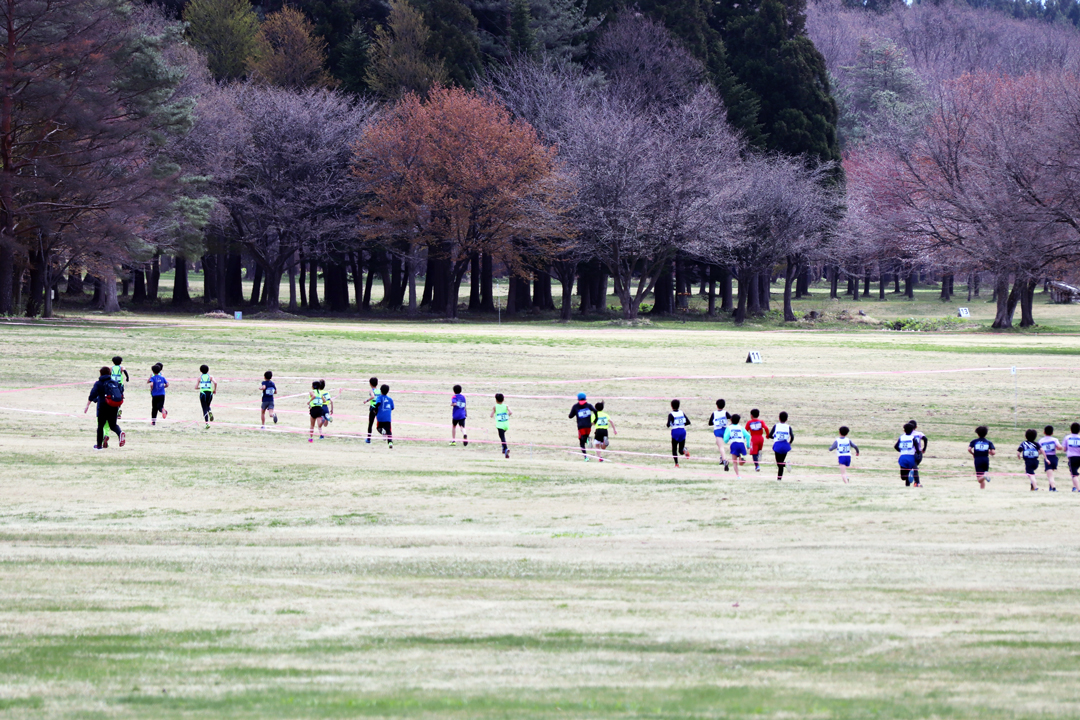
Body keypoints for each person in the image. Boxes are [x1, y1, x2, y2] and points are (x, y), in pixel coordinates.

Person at [84, 366, 125, 449]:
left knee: (100, 426)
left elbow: (92, 394)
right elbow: (120, 392)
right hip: (113, 405)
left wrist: (88, 405)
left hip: (102, 406)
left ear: (100, 373)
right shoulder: (114, 382)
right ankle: (120, 433)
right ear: (110, 373)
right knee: (113, 425)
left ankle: (99, 445)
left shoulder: (98, 383)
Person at [568, 392, 597, 461]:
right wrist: (595, 420)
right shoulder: (589, 405)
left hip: (581, 427)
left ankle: (586, 457)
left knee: (581, 442)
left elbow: (570, 416)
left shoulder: (575, 406)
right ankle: (587, 439)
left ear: (577, 399)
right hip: (588, 426)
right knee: (585, 437)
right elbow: (595, 411)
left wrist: (575, 413)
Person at [770, 412, 795, 481]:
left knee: (779, 463)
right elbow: (792, 436)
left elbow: (770, 435)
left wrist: (774, 437)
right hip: (785, 445)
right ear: (786, 419)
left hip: (777, 445)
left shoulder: (776, 426)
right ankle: (779, 479)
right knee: (780, 462)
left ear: (779, 418)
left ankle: (785, 465)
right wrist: (790, 442)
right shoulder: (788, 427)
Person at [707, 399, 731, 471]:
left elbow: (710, 423)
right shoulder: (725, 412)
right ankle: (721, 458)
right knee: (718, 443)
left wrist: (716, 422)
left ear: (716, 405)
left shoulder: (714, 413)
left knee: (721, 447)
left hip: (718, 430)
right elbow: (732, 418)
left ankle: (724, 460)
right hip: (725, 430)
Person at [667, 399, 690, 467]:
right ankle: (684, 450)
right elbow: (688, 422)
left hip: (675, 432)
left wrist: (670, 425)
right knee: (680, 450)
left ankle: (676, 464)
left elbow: (668, 424)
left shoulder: (671, 414)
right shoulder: (682, 413)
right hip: (683, 431)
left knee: (674, 449)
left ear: (671, 406)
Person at [1038, 425, 1062, 492]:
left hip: (1047, 459)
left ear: (1044, 432)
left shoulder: (1041, 441)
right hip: (1054, 458)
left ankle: (1054, 488)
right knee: (1050, 473)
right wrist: (1058, 447)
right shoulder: (1054, 439)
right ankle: (1051, 487)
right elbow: (1060, 447)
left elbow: (1039, 452)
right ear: (1052, 433)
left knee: (1050, 475)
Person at [491, 393, 511, 458]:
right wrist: (506, 416)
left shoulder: (495, 406)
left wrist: (494, 413)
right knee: (502, 436)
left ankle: (505, 448)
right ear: (503, 399)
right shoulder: (506, 406)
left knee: (502, 437)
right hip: (506, 425)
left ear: (496, 400)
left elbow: (491, 415)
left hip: (500, 425)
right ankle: (503, 448)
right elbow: (510, 412)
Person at [196, 365, 216, 429]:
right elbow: (215, 383)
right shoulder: (210, 377)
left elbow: (196, 387)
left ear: (200, 370)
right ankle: (209, 411)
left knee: (204, 408)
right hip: (210, 393)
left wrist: (201, 387)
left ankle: (207, 423)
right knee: (208, 405)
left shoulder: (199, 378)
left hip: (203, 393)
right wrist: (214, 390)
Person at [110, 356, 130, 421]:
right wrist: (127, 378)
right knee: (119, 398)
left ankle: (113, 412)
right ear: (121, 362)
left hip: (112, 385)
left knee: (112, 398)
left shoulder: (111, 368)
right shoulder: (121, 368)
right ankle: (118, 412)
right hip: (119, 385)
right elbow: (125, 372)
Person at [909, 419, 928, 486]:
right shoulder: (919, 433)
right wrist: (924, 449)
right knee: (914, 467)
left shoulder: (908, 434)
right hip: (919, 453)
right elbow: (925, 439)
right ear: (916, 427)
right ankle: (916, 482)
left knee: (914, 468)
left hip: (911, 453)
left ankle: (916, 482)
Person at [376, 383, 394, 448]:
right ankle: (390, 443)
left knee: (378, 428)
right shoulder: (390, 399)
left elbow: (378, 403)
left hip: (380, 417)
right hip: (387, 417)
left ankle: (382, 431)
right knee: (389, 431)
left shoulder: (379, 397)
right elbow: (392, 408)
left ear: (381, 390)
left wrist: (375, 410)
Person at [1064, 422, 1080, 492]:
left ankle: (1078, 489)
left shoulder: (1067, 438)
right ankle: (1074, 487)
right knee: (1074, 472)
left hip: (1072, 457)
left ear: (1071, 429)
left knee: (1074, 474)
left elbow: (1064, 449)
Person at [366, 377, 379, 444]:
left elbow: (373, 396)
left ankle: (368, 439)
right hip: (379, 408)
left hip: (373, 408)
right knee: (380, 422)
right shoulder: (379, 390)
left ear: (370, 384)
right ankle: (384, 433)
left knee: (370, 424)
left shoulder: (371, 390)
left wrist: (367, 400)